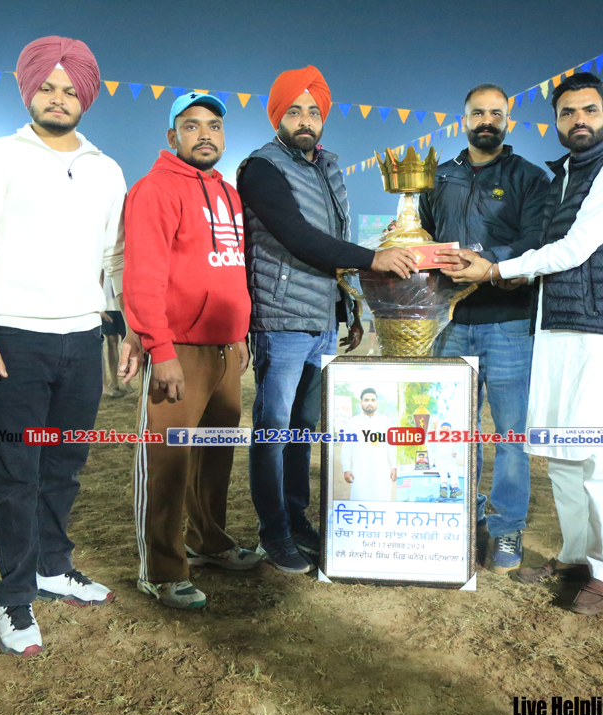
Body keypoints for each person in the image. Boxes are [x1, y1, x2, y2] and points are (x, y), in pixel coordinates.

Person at [0, 36, 138, 655]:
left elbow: (115, 257)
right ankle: (14, 595)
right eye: (48, 88)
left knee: (64, 466)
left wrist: (128, 331)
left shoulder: (107, 168)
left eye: (70, 89)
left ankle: (54, 567)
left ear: (87, 96)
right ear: (29, 90)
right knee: (15, 472)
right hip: (11, 337)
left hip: (81, 338)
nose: (59, 98)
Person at [441, 73, 603, 615]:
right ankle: (576, 556)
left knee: (597, 456)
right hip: (551, 325)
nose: (579, 120)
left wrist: (495, 269)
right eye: (567, 112)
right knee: (559, 453)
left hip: (596, 327)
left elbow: (575, 248)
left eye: (589, 110)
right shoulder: (563, 175)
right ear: (555, 120)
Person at [238, 65, 418, 573]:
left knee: (302, 428)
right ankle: (273, 531)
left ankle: (296, 519)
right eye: (294, 111)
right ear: (278, 116)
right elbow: (299, 238)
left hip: (321, 320)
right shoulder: (262, 168)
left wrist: (350, 308)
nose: (305, 120)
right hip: (281, 318)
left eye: (314, 111)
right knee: (273, 430)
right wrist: (374, 258)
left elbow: (332, 245)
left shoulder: (328, 168)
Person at [124, 91, 262, 611]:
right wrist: (159, 349)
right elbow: (143, 277)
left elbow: (232, 269)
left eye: (214, 126)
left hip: (225, 349)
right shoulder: (155, 189)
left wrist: (239, 333)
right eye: (191, 125)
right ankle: (160, 570)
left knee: (214, 459)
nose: (205, 134)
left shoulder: (228, 193)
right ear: (172, 136)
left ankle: (209, 542)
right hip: (177, 349)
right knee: (168, 462)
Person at [419, 83, 551, 573]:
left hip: (509, 321)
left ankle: (507, 525)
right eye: (478, 113)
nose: (487, 121)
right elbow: (423, 232)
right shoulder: (438, 176)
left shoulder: (529, 178)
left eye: (496, 113)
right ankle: (459, 514)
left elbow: (536, 241)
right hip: (449, 321)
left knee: (511, 435)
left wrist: (485, 263)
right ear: (464, 120)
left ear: (508, 121)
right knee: (453, 430)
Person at [341, 388, 397, 502]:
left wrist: (394, 466)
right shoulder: (353, 422)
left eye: (373, 400)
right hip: (360, 471)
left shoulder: (386, 422)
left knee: (381, 501)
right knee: (359, 502)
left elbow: (392, 446)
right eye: (366, 400)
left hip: (381, 471)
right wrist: (346, 469)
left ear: (377, 402)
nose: (370, 403)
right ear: (361, 402)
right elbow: (346, 447)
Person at [100, 275, 127, 398]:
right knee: (111, 342)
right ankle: (114, 382)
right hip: (108, 305)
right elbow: (99, 277)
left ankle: (127, 382)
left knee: (128, 341)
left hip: (124, 304)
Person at [433, 421, 462, 499]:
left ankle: (455, 487)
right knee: (443, 471)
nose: (445, 431)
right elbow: (434, 434)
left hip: (451, 461)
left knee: (454, 471)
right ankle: (444, 487)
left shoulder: (453, 441)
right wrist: (435, 427)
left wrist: (455, 454)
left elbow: (457, 451)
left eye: (447, 429)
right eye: (443, 429)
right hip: (441, 460)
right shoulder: (438, 438)